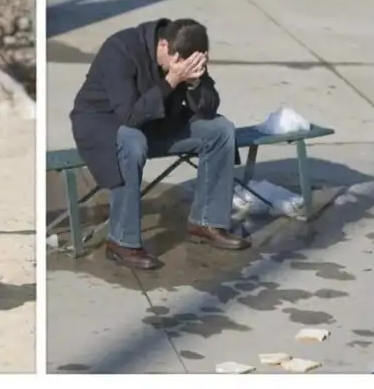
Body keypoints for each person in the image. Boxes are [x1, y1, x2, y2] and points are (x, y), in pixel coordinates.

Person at [70, 18, 246, 270]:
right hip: (106, 124)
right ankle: (122, 242)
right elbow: (129, 116)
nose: (184, 69)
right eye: (178, 64)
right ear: (163, 45)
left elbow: (208, 110)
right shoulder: (119, 49)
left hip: (159, 123)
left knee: (220, 130)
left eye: (193, 65)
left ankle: (207, 222)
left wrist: (195, 82)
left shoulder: (186, 53)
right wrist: (172, 80)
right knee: (132, 142)